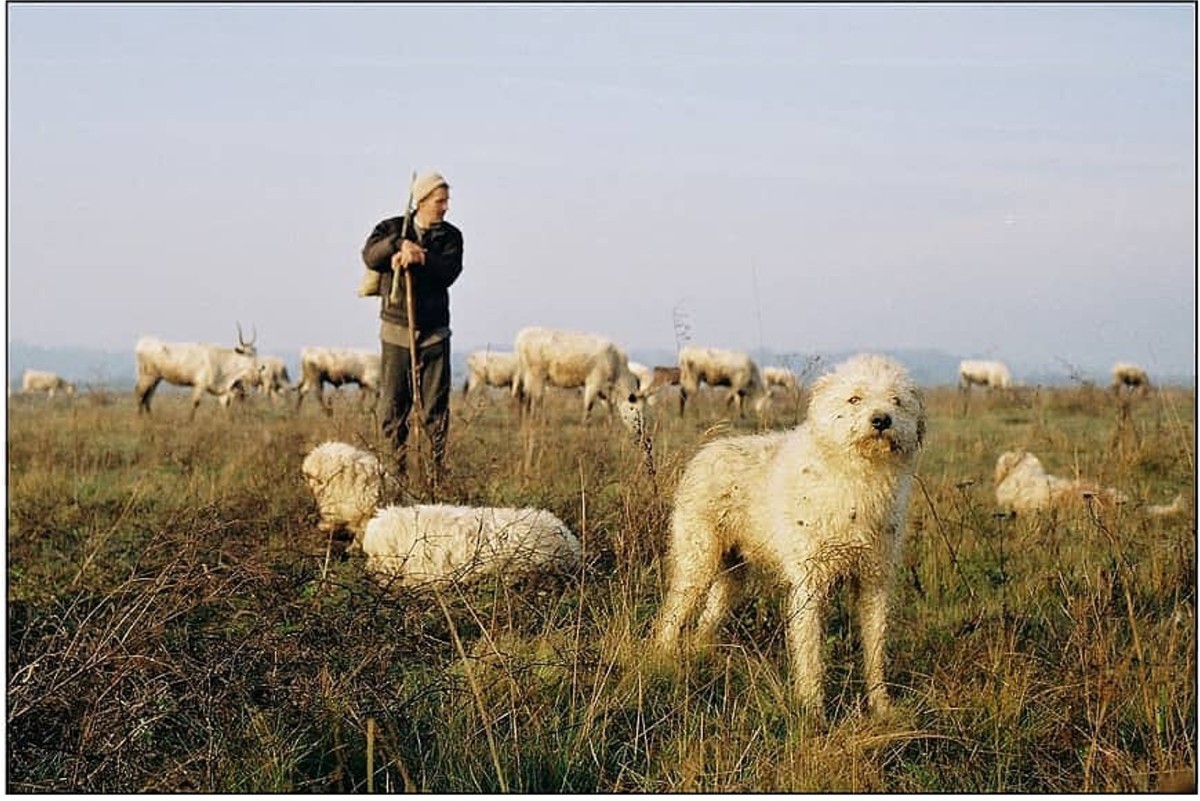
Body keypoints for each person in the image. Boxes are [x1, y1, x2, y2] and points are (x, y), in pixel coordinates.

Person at [361, 171, 463, 476]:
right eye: (439, 200)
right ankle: (395, 474)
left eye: (446, 201)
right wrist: (398, 245)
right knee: (393, 408)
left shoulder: (451, 236)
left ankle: (435, 476)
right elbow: (370, 256)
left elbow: (449, 272)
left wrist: (421, 258)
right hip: (396, 330)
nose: (445, 207)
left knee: (435, 410)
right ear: (421, 201)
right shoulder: (390, 228)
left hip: (434, 333)